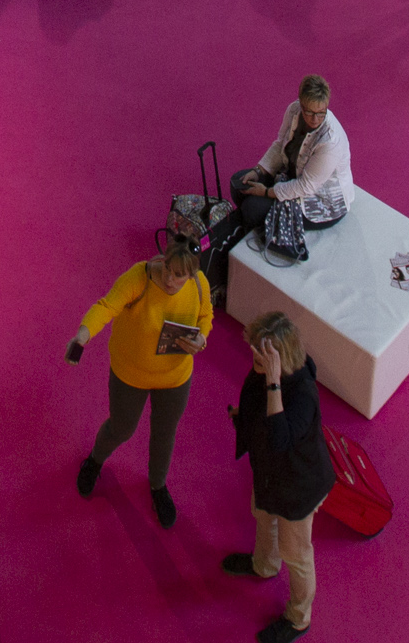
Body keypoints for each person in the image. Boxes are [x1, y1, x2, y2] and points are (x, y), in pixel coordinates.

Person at [70, 241, 210, 529]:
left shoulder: (200, 285)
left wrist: (202, 338)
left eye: (179, 275)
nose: (169, 279)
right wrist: (83, 335)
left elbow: (205, 316)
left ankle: (158, 486)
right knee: (121, 428)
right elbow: (107, 306)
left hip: (175, 377)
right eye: (167, 269)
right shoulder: (139, 277)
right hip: (130, 374)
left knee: (164, 433)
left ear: (192, 275)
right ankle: (94, 461)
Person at [221, 310, 333, 643]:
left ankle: (299, 619)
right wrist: (244, 418)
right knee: (263, 517)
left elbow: (280, 438)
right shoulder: (265, 370)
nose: (253, 360)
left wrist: (272, 382)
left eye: (261, 357)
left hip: (299, 487)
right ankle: (264, 565)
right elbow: (257, 406)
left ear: (279, 360)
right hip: (270, 474)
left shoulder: (302, 395)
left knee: (296, 554)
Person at [231, 73, 352, 249]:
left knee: (252, 209)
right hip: (292, 175)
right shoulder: (293, 110)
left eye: (321, 113)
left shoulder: (330, 142)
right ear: (301, 104)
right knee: (238, 184)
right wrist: (258, 170)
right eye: (309, 112)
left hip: (320, 200)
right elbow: (280, 144)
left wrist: (266, 192)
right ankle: (255, 222)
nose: (315, 119)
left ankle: (254, 223)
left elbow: (306, 187)